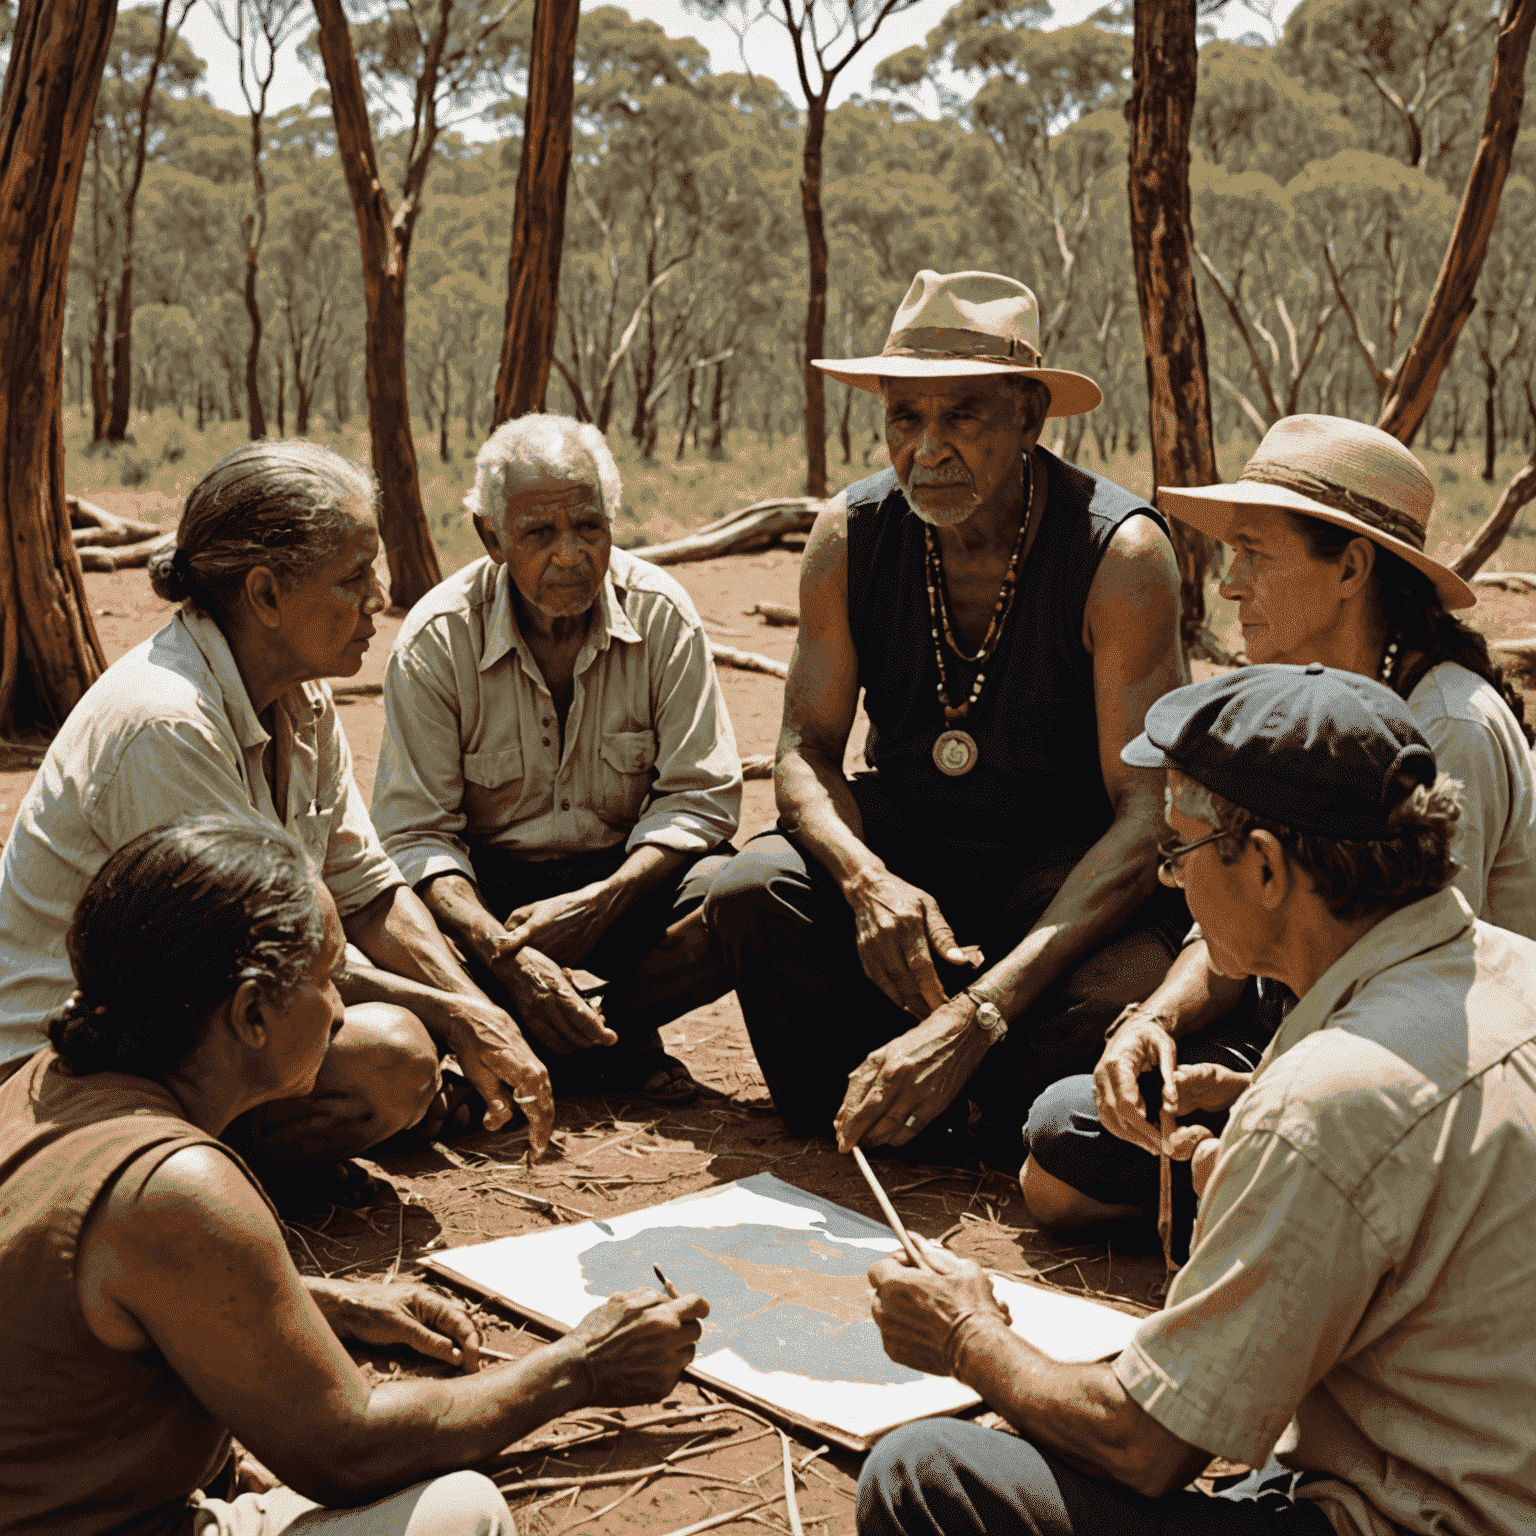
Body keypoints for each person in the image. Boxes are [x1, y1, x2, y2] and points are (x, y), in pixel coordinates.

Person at [860, 664, 1536, 1536]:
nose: (1171, 882)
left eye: (1177, 853)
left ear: (1263, 866)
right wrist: (1263, 1117)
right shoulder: (1512, 975)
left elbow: (1145, 1447)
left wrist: (968, 1338)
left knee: (927, 1478)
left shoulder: (1329, 1101)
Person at [0, 816, 709, 1535]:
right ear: (252, 1013)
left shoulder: (43, 1083)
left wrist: (324, 1300)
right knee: (462, 1514)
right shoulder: (176, 1186)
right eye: (325, 978)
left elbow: (80, 1295)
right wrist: (581, 1366)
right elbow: (347, 1450)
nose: (341, 1009)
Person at [704, 268, 1188, 1161]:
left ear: (1029, 418)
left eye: (963, 415)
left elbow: (1146, 816)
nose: (928, 448)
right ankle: (885, 1097)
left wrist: (982, 1011)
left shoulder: (1119, 553)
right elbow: (804, 751)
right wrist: (867, 884)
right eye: (904, 418)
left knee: (1116, 989)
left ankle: (978, 1095)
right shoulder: (849, 534)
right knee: (751, 891)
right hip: (911, 864)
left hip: (1061, 879)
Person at [1024, 414, 1536, 1250]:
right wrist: (1153, 1022)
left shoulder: (1441, 728)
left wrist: (1266, 1096)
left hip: (1428, 1077)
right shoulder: (1289, 694)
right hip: (1310, 1023)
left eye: (1255, 553)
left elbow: (1424, 995)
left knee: (1063, 1166)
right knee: (1060, 1136)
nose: (1228, 585)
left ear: (1352, 568)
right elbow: (1229, 913)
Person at [0, 440, 556, 1204]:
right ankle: (175, 1189)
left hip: (190, 1026)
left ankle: (220, 1165)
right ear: (264, 596)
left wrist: (477, 1006)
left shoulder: (301, 693)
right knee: (393, 1059)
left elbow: (363, 887)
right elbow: (254, 958)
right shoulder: (165, 725)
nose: (380, 598)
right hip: (61, 1069)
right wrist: (456, 1015)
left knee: (398, 1051)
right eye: (353, 577)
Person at [372, 414, 741, 1106]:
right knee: (400, 931)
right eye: (540, 534)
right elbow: (416, 835)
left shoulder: (662, 613)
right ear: (492, 536)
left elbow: (700, 798)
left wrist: (605, 899)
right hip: (493, 901)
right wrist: (495, 946)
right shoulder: (436, 639)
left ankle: (600, 1031)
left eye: (589, 528)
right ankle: (573, 1030)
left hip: (628, 881)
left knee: (743, 894)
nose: (570, 555)